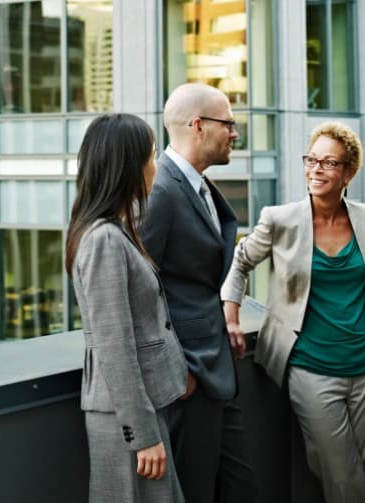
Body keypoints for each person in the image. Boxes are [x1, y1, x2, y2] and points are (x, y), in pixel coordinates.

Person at [221, 122, 365, 503]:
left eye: (329, 163)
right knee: (343, 475)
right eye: (312, 160)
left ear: (348, 172)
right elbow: (239, 265)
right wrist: (231, 317)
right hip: (311, 369)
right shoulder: (280, 219)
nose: (317, 169)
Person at [139, 83, 257, 503]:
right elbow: (142, 288)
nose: (235, 133)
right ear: (198, 126)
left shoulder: (198, 185)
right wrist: (176, 368)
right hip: (188, 378)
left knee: (239, 488)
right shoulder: (161, 190)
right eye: (228, 123)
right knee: (195, 492)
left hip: (216, 369)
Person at [65, 113, 187, 503]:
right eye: (151, 156)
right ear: (128, 167)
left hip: (141, 409)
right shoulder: (103, 239)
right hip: (128, 421)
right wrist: (143, 434)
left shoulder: (116, 230)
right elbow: (113, 345)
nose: (156, 166)